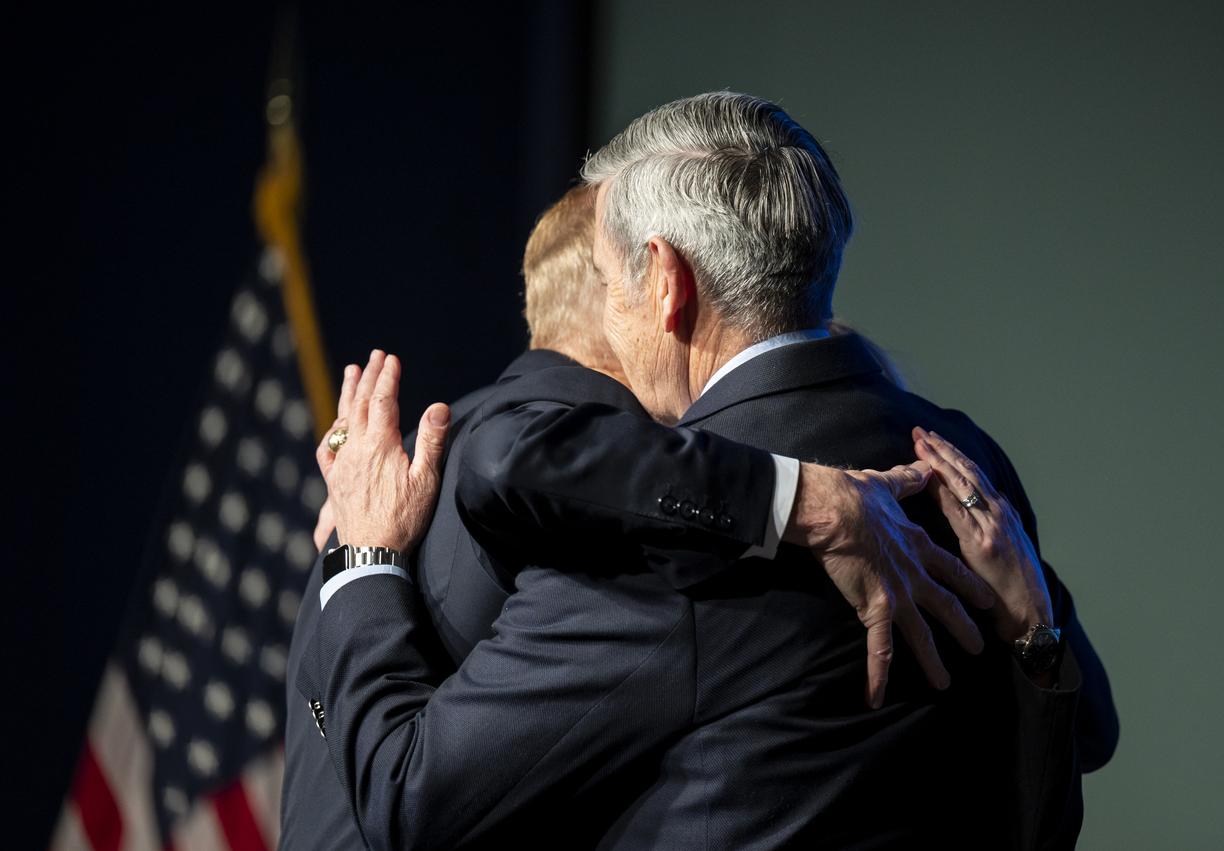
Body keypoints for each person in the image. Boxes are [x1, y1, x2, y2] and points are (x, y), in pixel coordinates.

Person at [312, 93, 1117, 848]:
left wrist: (364, 558)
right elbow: (1086, 734)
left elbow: (409, 798)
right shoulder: (965, 458)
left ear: (666, 281)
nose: (607, 323)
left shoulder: (660, 544)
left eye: (608, 281)